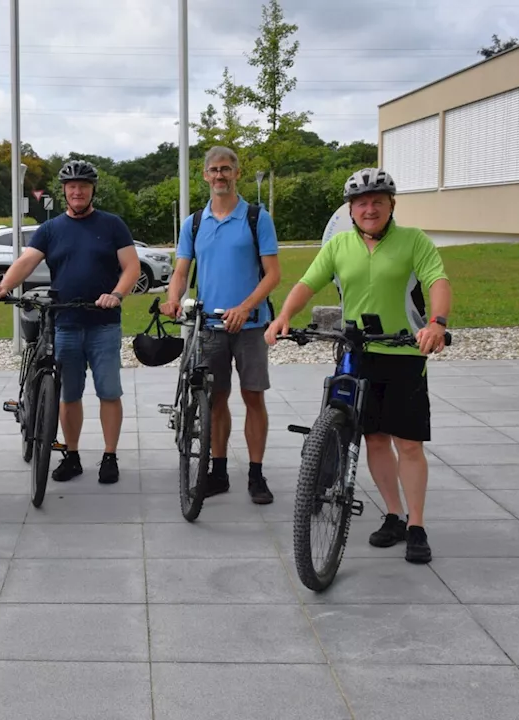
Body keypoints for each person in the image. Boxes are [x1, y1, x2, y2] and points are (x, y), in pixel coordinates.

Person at [265, 167, 451, 564]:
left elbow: (437, 280)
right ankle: (394, 515)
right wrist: (283, 316)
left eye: (377, 202)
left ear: (391, 206)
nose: (369, 209)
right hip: (359, 352)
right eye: (361, 203)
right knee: (376, 438)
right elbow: (307, 283)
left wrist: (436, 323)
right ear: (351, 210)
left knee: (409, 443)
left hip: (403, 352)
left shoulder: (413, 241)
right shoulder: (339, 246)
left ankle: (416, 524)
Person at [0, 159, 141, 485]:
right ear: (64, 192)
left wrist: (116, 293)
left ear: (92, 190)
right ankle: (71, 455)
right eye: (72, 187)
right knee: (69, 395)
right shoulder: (52, 228)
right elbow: (26, 261)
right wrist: (4, 286)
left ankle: (109, 455)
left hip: (103, 324)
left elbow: (131, 267)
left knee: (109, 392)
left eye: (83, 186)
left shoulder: (112, 225)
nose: (77, 191)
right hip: (66, 322)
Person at [159, 146, 281, 504]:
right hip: (209, 325)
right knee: (216, 400)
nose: (220, 176)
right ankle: (219, 470)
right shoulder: (194, 222)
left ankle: (256, 474)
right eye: (214, 170)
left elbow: (273, 274)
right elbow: (181, 271)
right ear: (204, 175)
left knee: (253, 396)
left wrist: (245, 307)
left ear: (237, 173)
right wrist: (172, 298)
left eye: (226, 169)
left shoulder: (258, 218)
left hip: (250, 325)